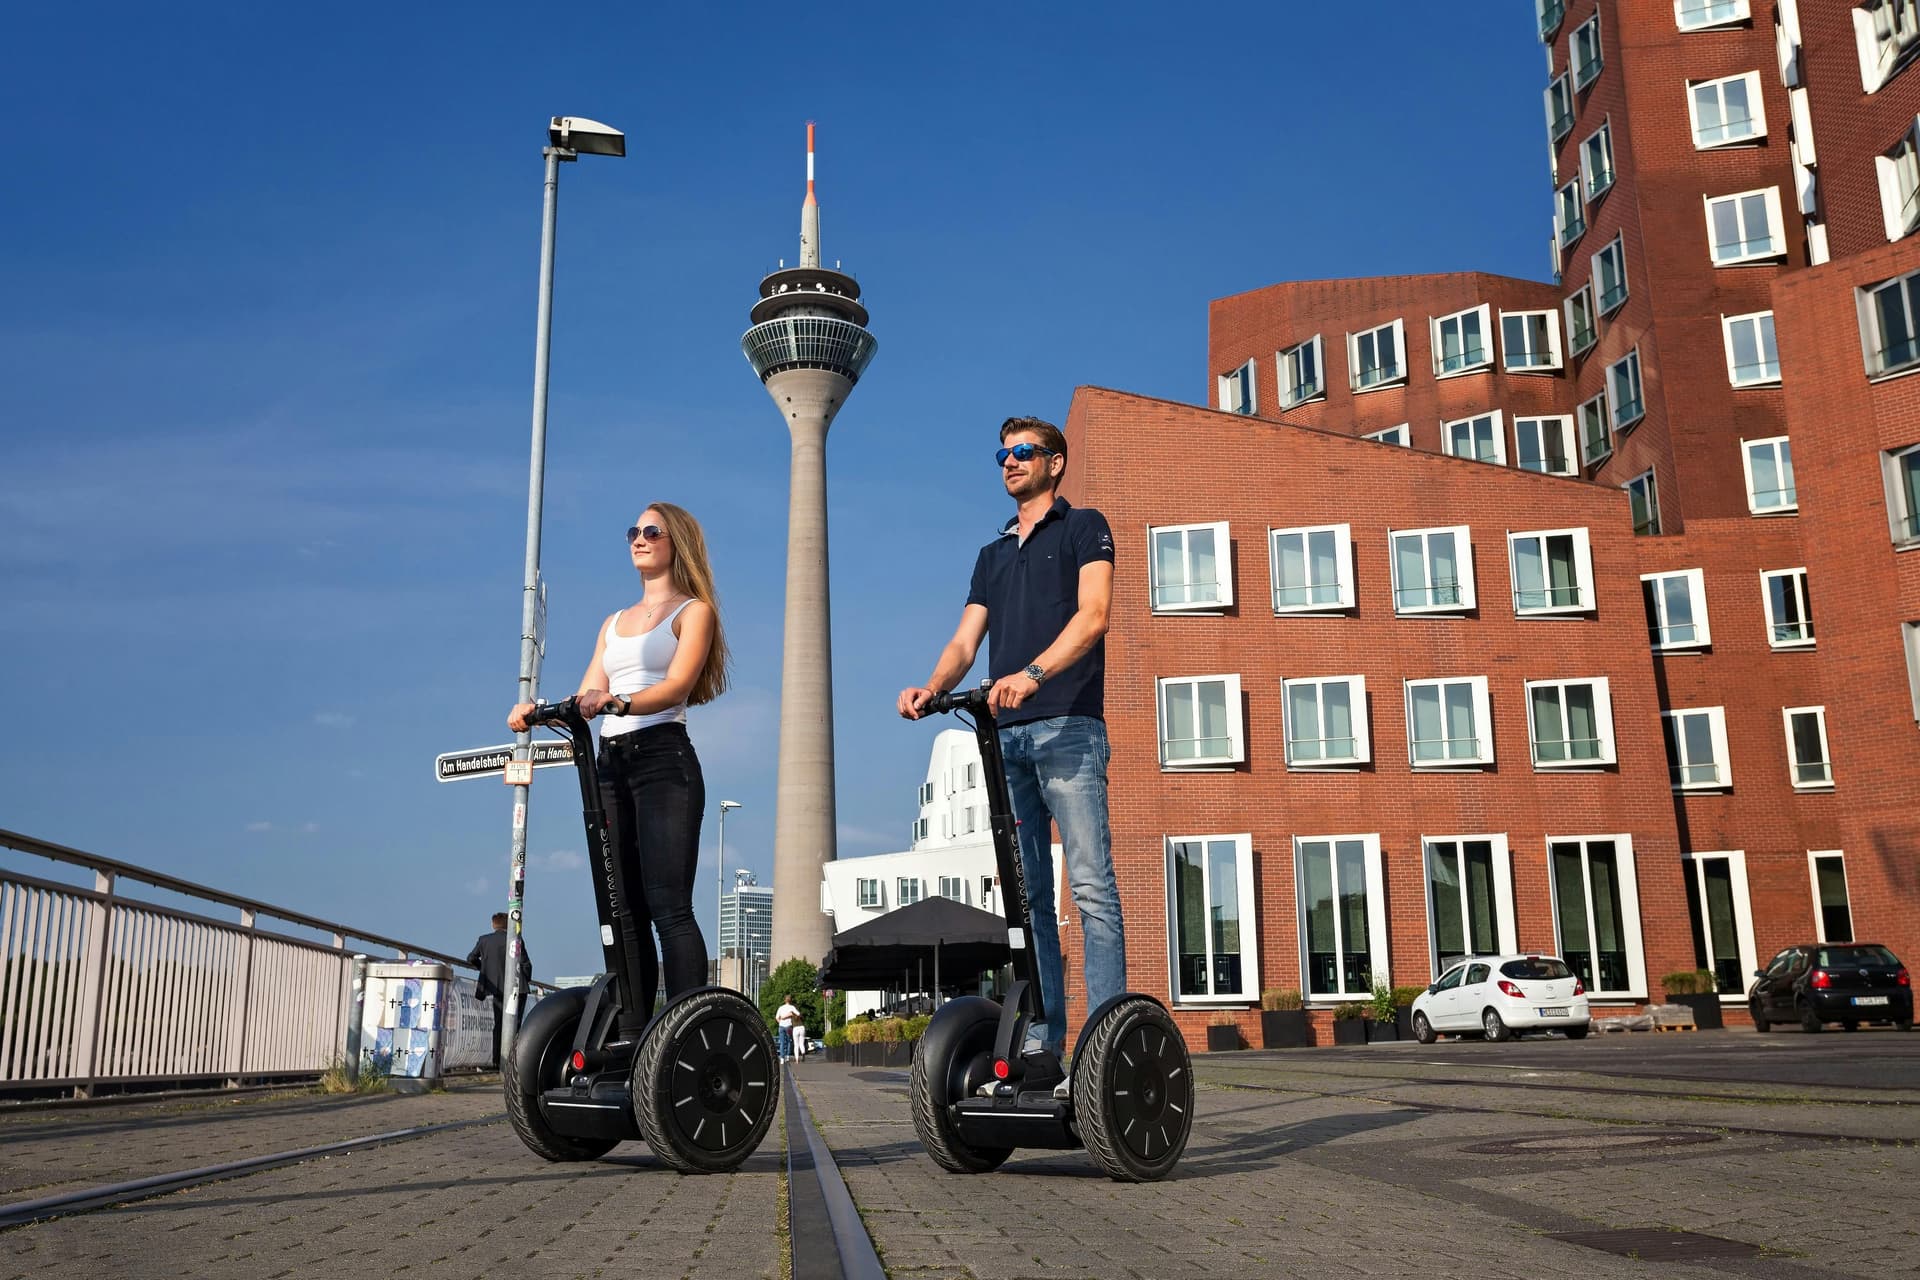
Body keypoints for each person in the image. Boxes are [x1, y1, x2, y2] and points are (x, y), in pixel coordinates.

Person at [896, 416, 1121, 1097]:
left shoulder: (1084, 528)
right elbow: (966, 641)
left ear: (1056, 462)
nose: (1010, 462)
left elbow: (1094, 615)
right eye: (1003, 454)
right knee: (1027, 903)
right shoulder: (992, 555)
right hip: (1008, 740)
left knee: (1091, 889)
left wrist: (1033, 674)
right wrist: (932, 687)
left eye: (1024, 452)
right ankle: (1040, 1043)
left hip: (1067, 729)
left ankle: (1103, 1042)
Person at [509, 503, 730, 1041]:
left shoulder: (693, 611)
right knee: (621, 909)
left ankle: (683, 1035)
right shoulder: (613, 623)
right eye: (633, 530)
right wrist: (537, 712)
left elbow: (676, 686)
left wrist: (619, 704)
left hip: (664, 761)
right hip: (610, 765)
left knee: (668, 908)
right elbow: (587, 691)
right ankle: (635, 1035)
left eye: (651, 531)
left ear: (676, 541)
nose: (639, 538)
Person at [467, 911, 531, 1069]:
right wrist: (525, 979)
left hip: (496, 988)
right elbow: (526, 964)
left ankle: (497, 1061)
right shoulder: (516, 939)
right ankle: (513, 1062)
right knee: (515, 1024)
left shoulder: (484, 940)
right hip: (517, 988)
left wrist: (484, 968)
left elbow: (470, 958)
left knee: (499, 1024)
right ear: (508, 925)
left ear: (493, 924)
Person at [775, 996, 800, 1064]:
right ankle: (787, 1056)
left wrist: (781, 1022)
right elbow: (798, 1014)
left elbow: (777, 1018)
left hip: (781, 1027)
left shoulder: (780, 1007)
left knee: (782, 1042)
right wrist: (791, 1016)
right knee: (789, 1041)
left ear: (784, 1000)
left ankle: (782, 1058)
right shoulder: (792, 1007)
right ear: (790, 1000)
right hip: (789, 1026)